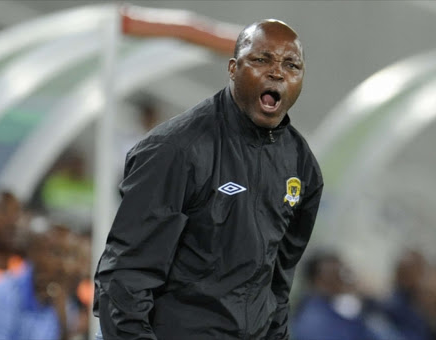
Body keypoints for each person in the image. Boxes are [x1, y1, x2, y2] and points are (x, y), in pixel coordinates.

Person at [94, 19, 324, 339]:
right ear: (232, 68)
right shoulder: (176, 150)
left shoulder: (302, 166)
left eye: (291, 65)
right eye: (261, 60)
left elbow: (278, 285)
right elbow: (125, 279)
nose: (277, 72)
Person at [292, 252, 380, 340]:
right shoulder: (314, 319)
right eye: (336, 274)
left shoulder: (330, 309)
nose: (344, 279)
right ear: (318, 280)